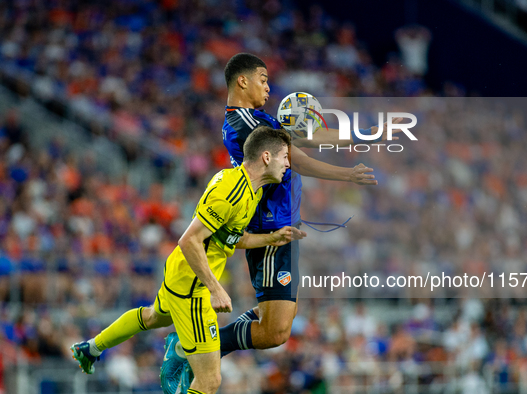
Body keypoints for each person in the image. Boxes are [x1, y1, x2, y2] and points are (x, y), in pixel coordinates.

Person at [162, 53, 389, 393]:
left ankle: (195, 347)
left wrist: (361, 136)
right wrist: (348, 174)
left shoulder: (255, 118)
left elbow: (302, 139)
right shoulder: (243, 124)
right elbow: (299, 158)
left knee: (279, 326)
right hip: (268, 228)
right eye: (263, 79)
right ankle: (188, 347)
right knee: (275, 332)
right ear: (242, 81)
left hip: (282, 225)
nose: (269, 87)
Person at [71, 126, 306, 394]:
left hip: (180, 273)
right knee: (209, 381)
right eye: (285, 157)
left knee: (151, 317)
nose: (288, 164)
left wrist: (271, 238)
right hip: (193, 289)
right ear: (266, 157)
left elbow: (228, 239)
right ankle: (180, 348)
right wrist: (216, 288)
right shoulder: (231, 193)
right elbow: (189, 239)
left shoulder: (247, 189)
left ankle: (90, 348)